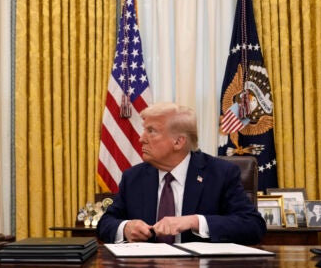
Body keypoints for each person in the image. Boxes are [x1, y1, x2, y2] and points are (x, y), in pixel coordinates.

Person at [97, 102, 266, 245]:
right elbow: (105, 223)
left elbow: (253, 225)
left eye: (151, 131)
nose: (141, 138)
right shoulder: (133, 178)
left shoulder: (220, 173)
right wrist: (125, 228)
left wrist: (194, 221)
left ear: (178, 142)